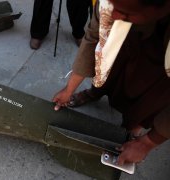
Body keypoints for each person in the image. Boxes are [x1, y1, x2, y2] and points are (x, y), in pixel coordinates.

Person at [52, 0, 170, 165]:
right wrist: (68, 89)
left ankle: (130, 128)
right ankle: (95, 92)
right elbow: (93, 37)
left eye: (126, 13)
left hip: (159, 69)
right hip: (124, 43)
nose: (113, 15)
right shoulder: (109, 5)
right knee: (107, 70)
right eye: (112, 5)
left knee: (144, 105)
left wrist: (147, 143)